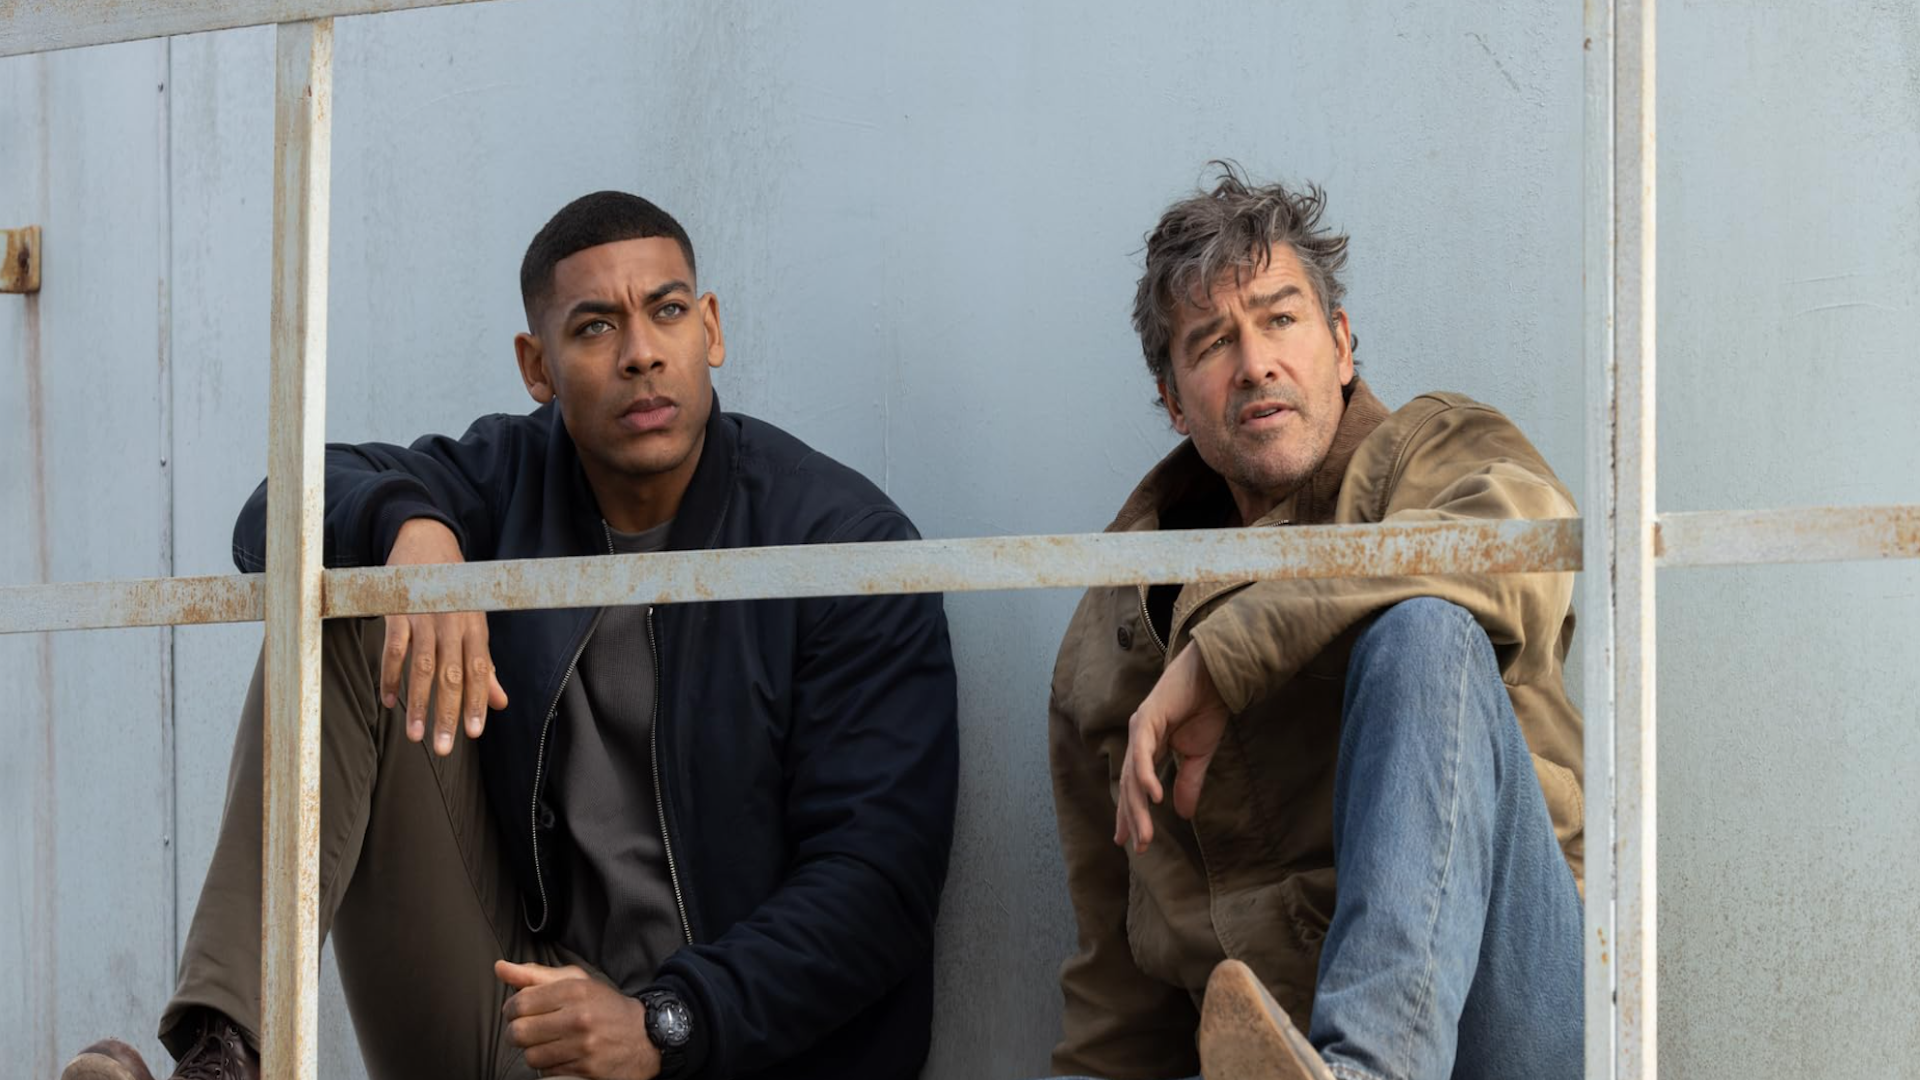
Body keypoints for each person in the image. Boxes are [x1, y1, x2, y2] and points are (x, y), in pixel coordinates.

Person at [61, 191, 960, 1080]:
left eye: (668, 311)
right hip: (527, 1021)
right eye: (596, 327)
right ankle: (224, 1057)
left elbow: (875, 886)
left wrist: (663, 1024)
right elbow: (275, 511)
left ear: (711, 329)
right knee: (352, 609)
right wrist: (411, 529)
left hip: (724, 1049)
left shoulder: (838, 547)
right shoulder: (512, 479)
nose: (642, 354)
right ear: (538, 366)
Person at [1045, 166, 1585, 1080]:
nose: (1255, 363)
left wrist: (1224, 658)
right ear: (1174, 402)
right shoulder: (1115, 631)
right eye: (1213, 341)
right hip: (1270, 1048)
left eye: (1281, 319)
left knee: (1424, 629)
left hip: (1508, 1025)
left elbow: (1522, 547)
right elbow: (1115, 995)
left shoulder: (1437, 456)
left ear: (1340, 345)